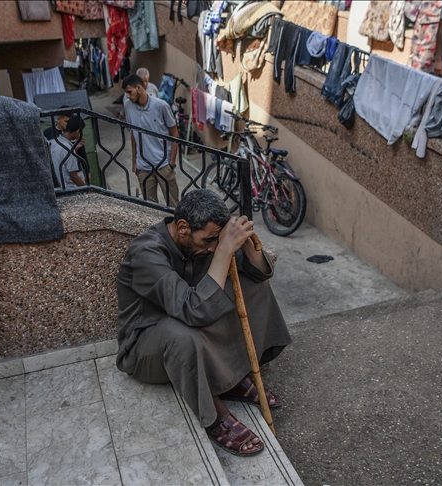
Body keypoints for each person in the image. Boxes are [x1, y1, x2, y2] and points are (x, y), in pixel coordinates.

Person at [115, 189, 292, 457]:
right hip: (145, 348)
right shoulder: (146, 252)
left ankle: (231, 376)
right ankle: (215, 414)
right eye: (209, 240)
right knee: (182, 335)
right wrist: (221, 251)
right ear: (183, 228)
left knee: (252, 288)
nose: (212, 247)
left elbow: (259, 272)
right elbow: (193, 310)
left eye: (216, 240)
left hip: (188, 321)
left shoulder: (201, 240)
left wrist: (243, 242)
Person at [123, 74, 180, 207]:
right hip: (143, 166)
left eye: (129, 92)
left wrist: (171, 163)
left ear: (139, 88)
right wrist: (134, 161)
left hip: (163, 164)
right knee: (150, 208)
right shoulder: (128, 105)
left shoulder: (161, 106)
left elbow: (174, 133)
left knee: (173, 206)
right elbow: (133, 132)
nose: (127, 96)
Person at [49, 115, 87, 188]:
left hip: (56, 187)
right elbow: (73, 176)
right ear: (78, 131)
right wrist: (88, 190)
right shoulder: (68, 149)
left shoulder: (53, 143)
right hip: (69, 189)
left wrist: (74, 149)